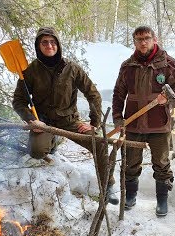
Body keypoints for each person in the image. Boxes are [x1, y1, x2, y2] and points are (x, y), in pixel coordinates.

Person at [12, 26, 119, 205]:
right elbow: (18, 101)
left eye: (52, 42)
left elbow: (93, 94)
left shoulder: (72, 68)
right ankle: (51, 141)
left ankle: (108, 185)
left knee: (99, 143)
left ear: (58, 45)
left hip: (69, 121)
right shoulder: (31, 71)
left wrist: (94, 123)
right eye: (44, 42)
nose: (49, 45)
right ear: (38, 46)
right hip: (44, 122)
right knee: (37, 152)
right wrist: (32, 120)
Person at [112, 26, 175, 217]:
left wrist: (167, 98)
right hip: (133, 123)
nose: (143, 42)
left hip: (159, 123)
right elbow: (119, 94)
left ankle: (162, 201)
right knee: (130, 162)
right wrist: (118, 118)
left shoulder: (168, 63)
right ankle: (130, 196)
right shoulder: (128, 66)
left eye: (146, 38)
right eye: (138, 39)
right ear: (134, 42)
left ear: (154, 39)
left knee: (161, 163)